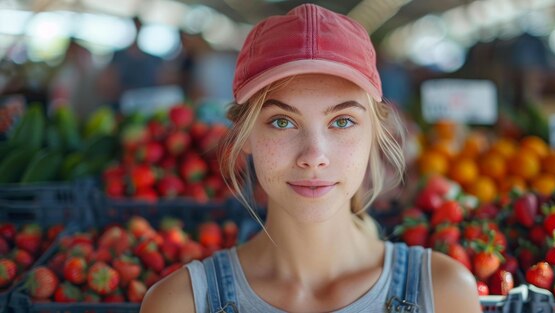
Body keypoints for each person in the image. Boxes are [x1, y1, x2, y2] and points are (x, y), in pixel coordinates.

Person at [140, 4, 481, 313]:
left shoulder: (443, 293)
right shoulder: (179, 303)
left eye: (342, 121)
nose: (314, 156)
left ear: (376, 134)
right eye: (282, 122)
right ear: (244, 136)